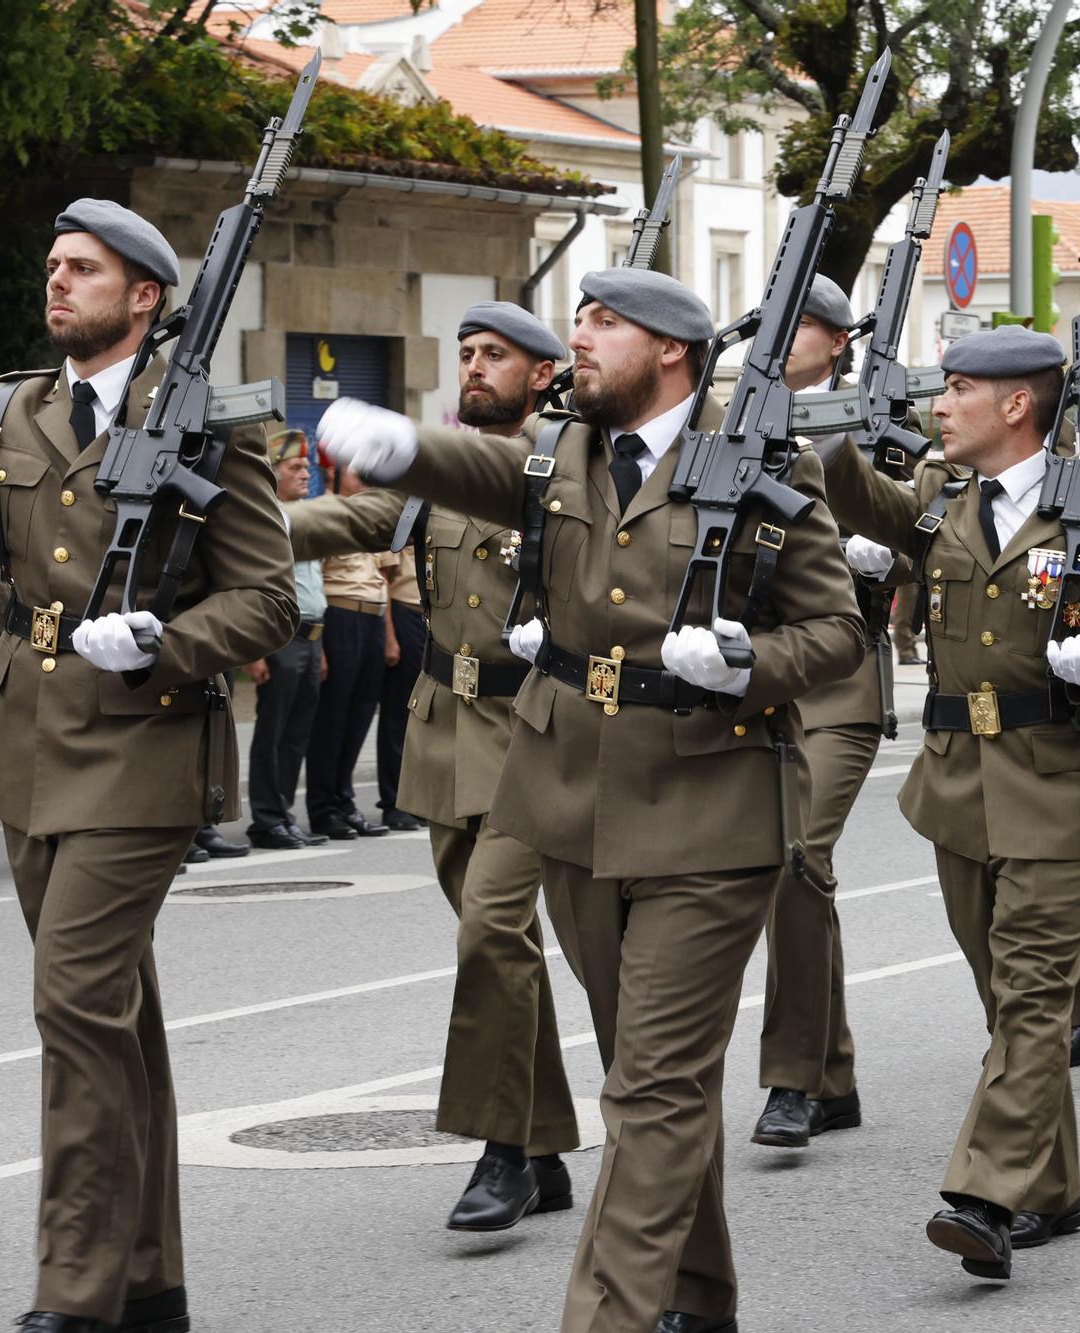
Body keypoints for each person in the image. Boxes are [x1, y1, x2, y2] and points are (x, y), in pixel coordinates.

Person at [317, 267, 864, 1333]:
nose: (579, 339)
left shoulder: (760, 457)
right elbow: (473, 469)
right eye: (578, 320)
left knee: (652, 1086)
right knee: (646, 1078)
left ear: (669, 351)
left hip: (711, 806)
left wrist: (744, 658)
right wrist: (399, 445)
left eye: (602, 324)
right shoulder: (560, 449)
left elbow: (836, 631)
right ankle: (697, 1302)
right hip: (569, 798)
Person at [0, 197, 295, 1333]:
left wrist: (168, 643)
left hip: (142, 743)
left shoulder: (210, 427)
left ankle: (76, 1293)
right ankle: (150, 1281)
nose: (54, 281)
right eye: (50, 264)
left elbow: (269, 597)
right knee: (113, 1016)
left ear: (143, 296)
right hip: (28, 744)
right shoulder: (9, 413)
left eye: (81, 269)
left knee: (75, 1003)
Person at [816, 324, 1080, 1280]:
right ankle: (1052, 1185)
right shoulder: (943, 497)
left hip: (1059, 781)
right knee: (1003, 1001)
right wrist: (828, 423)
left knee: (1031, 999)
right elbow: (867, 499)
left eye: (958, 388)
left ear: (1017, 404)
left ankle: (985, 1192)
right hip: (957, 784)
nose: (940, 404)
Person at [285, 300, 583, 1234]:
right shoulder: (431, 477)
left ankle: (501, 1148)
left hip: (536, 725)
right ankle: (542, 1146)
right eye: (465, 354)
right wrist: (219, 521)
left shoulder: (568, 467)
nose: (475, 367)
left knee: (492, 933)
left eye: (497, 354)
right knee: (499, 943)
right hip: (448, 722)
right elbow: (345, 518)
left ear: (543, 372)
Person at [751, 275, 888, 1149]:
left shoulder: (876, 419)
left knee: (799, 858)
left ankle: (794, 1079)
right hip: (755, 673)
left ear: (838, 341)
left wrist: (884, 562)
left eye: (797, 323)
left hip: (838, 682)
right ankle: (830, 1069)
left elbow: (940, 532)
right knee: (787, 867)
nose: (778, 335)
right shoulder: (730, 417)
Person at [244, 430, 330, 850]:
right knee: (272, 733)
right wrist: (255, 651)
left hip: (311, 638)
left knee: (298, 733)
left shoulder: (305, 515)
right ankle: (265, 818)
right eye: (295, 467)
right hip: (280, 638)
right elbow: (254, 585)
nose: (304, 474)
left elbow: (314, 586)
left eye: (307, 467)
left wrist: (321, 647)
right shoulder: (264, 518)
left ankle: (282, 815)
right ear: (273, 472)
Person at [303, 461, 390, 841]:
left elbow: (384, 576)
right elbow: (312, 579)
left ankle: (344, 799)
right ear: (334, 474)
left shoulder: (368, 515)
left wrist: (388, 637)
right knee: (332, 718)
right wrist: (319, 643)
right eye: (356, 470)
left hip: (372, 617)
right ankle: (323, 809)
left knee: (360, 715)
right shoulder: (322, 515)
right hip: (339, 618)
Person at [374, 540, 426, 831]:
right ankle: (394, 802)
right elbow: (386, 581)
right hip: (406, 612)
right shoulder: (405, 512)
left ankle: (418, 800)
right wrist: (390, 636)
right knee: (399, 714)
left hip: (434, 616)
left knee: (428, 717)